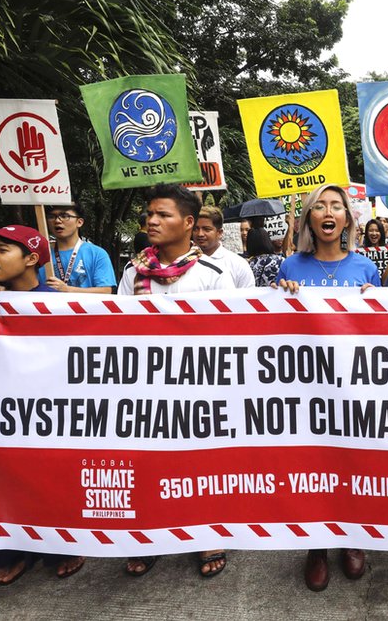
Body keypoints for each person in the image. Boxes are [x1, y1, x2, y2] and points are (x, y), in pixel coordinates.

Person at [0, 223, 86, 583]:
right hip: (3, 416)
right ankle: (12, 551)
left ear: (31, 259)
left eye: (2, 249)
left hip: (54, 415)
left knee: (54, 479)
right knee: (6, 481)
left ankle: (64, 547)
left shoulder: (59, 302)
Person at [118, 183, 235, 577]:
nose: (151, 221)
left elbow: (230, 336)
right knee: (151, 463)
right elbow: (119, 331)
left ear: (187, 223)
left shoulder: (213, 274)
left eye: (162, 215)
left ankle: (208, 534)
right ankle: (151, 535)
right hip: (148, 388)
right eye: (149, 214)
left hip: (201, 387)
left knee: (202, 463)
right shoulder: (133, 272)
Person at [274, 184, 379, 591]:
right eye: (320, 206)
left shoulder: (365, 268)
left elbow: (383, 334)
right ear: (309, 219)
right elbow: (276, 331)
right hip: (306, 390)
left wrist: (376, 302)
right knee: (311, 465)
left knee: (351, 461)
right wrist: (280, 297)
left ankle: (352, 534)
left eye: (337, 205)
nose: (329, 212)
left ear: (348, 218)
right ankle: (316, 544)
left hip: (352, 387)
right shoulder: (290, 267)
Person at [39, 203, 117, 294]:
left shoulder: (97, 253)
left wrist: (67, 289)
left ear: (79, 222)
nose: (57, 221)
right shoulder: (39, 254)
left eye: (64, 216)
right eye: (52, 216)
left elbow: (106, 291)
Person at [193, 205, 256, 288]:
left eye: (207, 229)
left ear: (219, 233)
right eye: (196, 229)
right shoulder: (183, 262)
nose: (200, 234)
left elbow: (249, 294)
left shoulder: (238, 264)